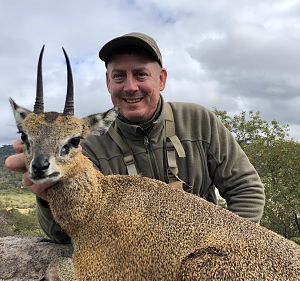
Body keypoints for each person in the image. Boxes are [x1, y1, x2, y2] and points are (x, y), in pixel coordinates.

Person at [5, 32, 265, 244]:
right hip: (135, 266)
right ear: (108, 82)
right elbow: (63, 235)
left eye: (141, 74)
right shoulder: (87, 147)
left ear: (161, 79)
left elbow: (246, 189)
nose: (130, 87)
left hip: (206, 251)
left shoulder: (198, 120)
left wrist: (223, 247)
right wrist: (48, 194)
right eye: (119, 76)